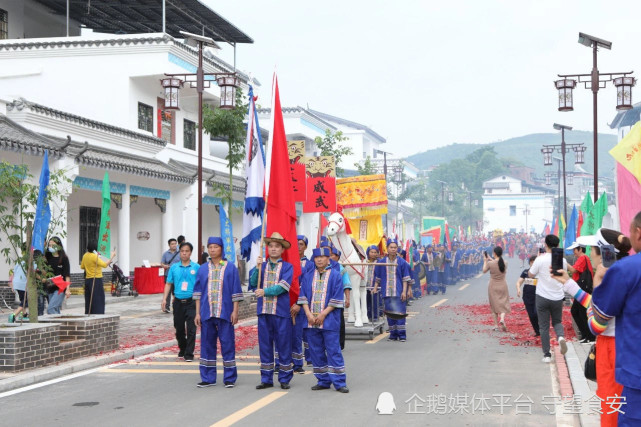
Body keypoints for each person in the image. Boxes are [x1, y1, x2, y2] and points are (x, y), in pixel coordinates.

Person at [552, 227, 632, 427]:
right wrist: (568, 283)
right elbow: (594, 303)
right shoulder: (624, 274)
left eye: (591, 250)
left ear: (603, 253)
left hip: (612, 348)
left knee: (611, 405)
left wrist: (596, 282)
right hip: (624, 345)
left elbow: (596, 324)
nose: (590, 255)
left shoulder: (610, 279)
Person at [193, 237, 243, 388]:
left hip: (225, 312)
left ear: (221, 248)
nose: (212, 250)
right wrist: (197, 313)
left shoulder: (230, 268)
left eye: (215, 247)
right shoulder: (202, 268)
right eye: (210, 247)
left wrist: (235, 311)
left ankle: (229, 378)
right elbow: (197, 293)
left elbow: (235, 291)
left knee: (227, 344)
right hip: (207, 313)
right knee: (207, 345)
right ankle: (208, 377)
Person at [298, 247, 349, 393]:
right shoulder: (308, 275)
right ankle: (323, 380)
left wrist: (322, 315)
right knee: (315, 351)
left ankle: (339, 382)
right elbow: (303, 297)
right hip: (310, 321)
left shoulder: (335, 275)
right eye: (316, 257)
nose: (319, 259)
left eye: (322, 257)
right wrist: (308, 314)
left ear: (329, 259)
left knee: (333, 350)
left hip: (329, 320)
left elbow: (337, 299)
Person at [249, 232, 294, 390]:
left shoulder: (288, 267)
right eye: (271, 246)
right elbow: (254, 283)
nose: (273, 249)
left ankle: (284, 378)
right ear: (267, 248)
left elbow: (283, 286)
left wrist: (265, 292)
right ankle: (266, 378)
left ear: (282, 249)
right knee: (265, 345)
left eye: (277, 246)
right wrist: (256, 267)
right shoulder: (263, 266)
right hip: (264, 311)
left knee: (283, 345)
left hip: (280, 311)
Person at [528, 234, 568, 363]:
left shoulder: (540, 259)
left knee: (544, 326)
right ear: (557, 245)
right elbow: (564, 276)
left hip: (542, 296)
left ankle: (547, 355)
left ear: (546, 244)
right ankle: (560, 337)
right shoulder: (563, 260)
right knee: (557, 321)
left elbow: (531, 274)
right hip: (557, 297)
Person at [163, 242, 199, 362]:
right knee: (179, 328)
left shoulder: (196, 267)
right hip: (178, 302)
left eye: (187, 251)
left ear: (190, 252)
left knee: (191, 329)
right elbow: (168, 284)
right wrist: (164, 299)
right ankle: (182, 348)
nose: (184, 253)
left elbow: (201, 285)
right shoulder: (174, 267)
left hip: (192, 302)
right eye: (182, 251)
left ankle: (189, 353)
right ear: (179, 252)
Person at [374, 239, 413, 342]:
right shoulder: (381, 262)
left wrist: (404, 291)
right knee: (390, 313)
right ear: (387, 248)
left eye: (395, 247)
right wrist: (375, 288)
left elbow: (405, 278)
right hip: (386, 292)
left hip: (398, 292)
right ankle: (393, 335)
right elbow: (378, 277)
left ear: (397, 249)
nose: (393, 249)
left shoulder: (402, 262)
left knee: (400, 313)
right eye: (391, 247)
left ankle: (402, 335)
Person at [566, 242, 595, 343]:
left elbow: (573, 270)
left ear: (580, 249)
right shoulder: (583, 258)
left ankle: (589, 336)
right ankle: (585, 335)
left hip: (582, 290)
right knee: (577, 311)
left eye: (575, 249)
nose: (573, 252)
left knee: (580, 312)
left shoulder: (583, 258)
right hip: (582, 289)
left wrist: (564, 262)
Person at [80, 241, 115, 315]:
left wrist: (89, 266)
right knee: (98, 299)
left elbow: (82, 266)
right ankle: (98, 314)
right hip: (96, 280)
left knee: (89, 299)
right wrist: (112, 256)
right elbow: (104, 265)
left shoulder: (85, 255)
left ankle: (88, 312)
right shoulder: (94, 256)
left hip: (88, 280)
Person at [483, 246, 511, 331]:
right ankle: (502, 319)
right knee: (504, 303)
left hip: (493, 286)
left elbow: (484, 270)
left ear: (494, 253)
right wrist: (491, 259)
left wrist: (485, 261)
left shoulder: (490, 264)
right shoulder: (505, 263)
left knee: (494, 305)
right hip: (503, 285)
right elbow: (498, 263)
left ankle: (495, 325)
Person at [330, 247, 351, 350]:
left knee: (339, 322)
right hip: (324, 301)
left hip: (338, 301)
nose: (329, 257)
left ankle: (340, 344)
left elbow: (346, 284)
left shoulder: (341, 269)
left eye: (331, 255)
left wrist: (347, 299)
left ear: (337, 257)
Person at [44, 237, 71, 314]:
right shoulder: (47, 257)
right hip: (50, 286)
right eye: (49, 245)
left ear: (59, 245)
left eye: (53, 245)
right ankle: (60, 325)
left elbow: (67, 275)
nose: (51, 247)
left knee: (51, 309)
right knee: (55, 309)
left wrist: (68, 289)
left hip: (60, 287)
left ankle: (64, 325)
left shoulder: (64, 258)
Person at [516, 255, 539, 337]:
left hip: (538, 296)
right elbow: (519, 282)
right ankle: (537, 331)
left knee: (536, 313)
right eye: (531, 262)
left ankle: (541, 329)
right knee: (531, 315)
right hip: (527, 296)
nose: (533, 264)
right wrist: (518, 289)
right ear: (529, 263)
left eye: (534, 262)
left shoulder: (540, 273)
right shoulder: (526, 272)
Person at [8, 244, 29, 322]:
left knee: (22, 300)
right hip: (23, 283)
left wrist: (11, 284)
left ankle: (24, 315)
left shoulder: (20, 260)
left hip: (16, 282)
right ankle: (13, 315)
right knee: (26, 302)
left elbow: (13, 272)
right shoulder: (30, 261)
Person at [161, 238, 180, 313]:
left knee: (176, 291)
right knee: (168, 291)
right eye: (172, 244)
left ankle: (176, 306)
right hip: (168, 274)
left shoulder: (180, 253)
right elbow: (162, 263)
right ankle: (167, 307)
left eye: (175, 243)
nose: (174, 245)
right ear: (169, 245)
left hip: (178, 275)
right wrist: (165, 266)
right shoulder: (165, 254)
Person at [365, 245, 381, 322]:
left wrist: (375, 286)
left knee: (374, 302)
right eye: (372, 252)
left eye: (375, 252)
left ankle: (375, 317)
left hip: (375, 286)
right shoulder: (364, 261)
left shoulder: (379, 262)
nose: (373, 254)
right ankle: (367, 316)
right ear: (368, 252)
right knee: (366, 302)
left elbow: (379, 274)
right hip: (365, 286)